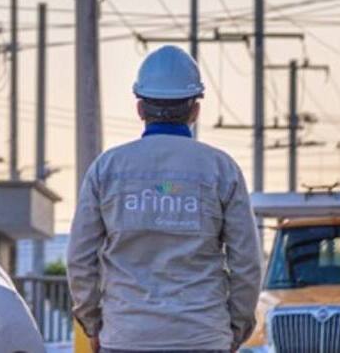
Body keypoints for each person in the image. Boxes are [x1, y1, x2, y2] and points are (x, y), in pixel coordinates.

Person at [66, 46, 263, 353]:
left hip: (126, 338)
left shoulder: (107, 169)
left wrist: (93, 324)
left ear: (140, 109)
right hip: (202, 338)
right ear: (195, 110)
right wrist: (234, 329)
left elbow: (80, 259)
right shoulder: (221, 169)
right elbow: (246, 263)